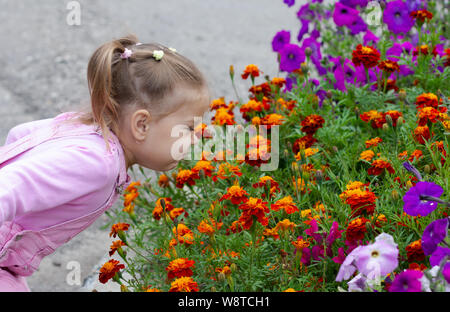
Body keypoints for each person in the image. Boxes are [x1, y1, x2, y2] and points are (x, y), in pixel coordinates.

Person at [0, 34, 211, 291]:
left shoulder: (85, 127)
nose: (201, 134)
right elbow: (8, 186)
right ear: (141, 124)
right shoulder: (96, 163)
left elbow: (21, 135)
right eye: (190, 126)